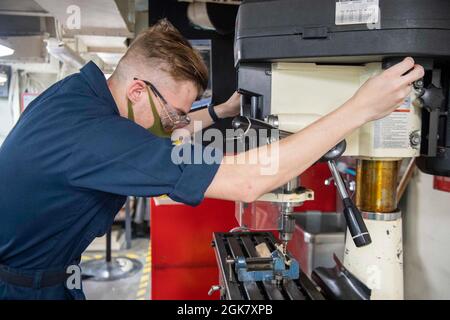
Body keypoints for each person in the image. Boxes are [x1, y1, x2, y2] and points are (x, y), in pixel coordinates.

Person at [0, 19, 424, 300]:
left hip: (52, 274)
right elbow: (245, 184)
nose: (174, 128)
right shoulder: (94, 135)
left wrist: (220, 111)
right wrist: (359, 110)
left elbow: (177, 127)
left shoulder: (83, 95)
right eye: (171, 116)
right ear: (135, 91)